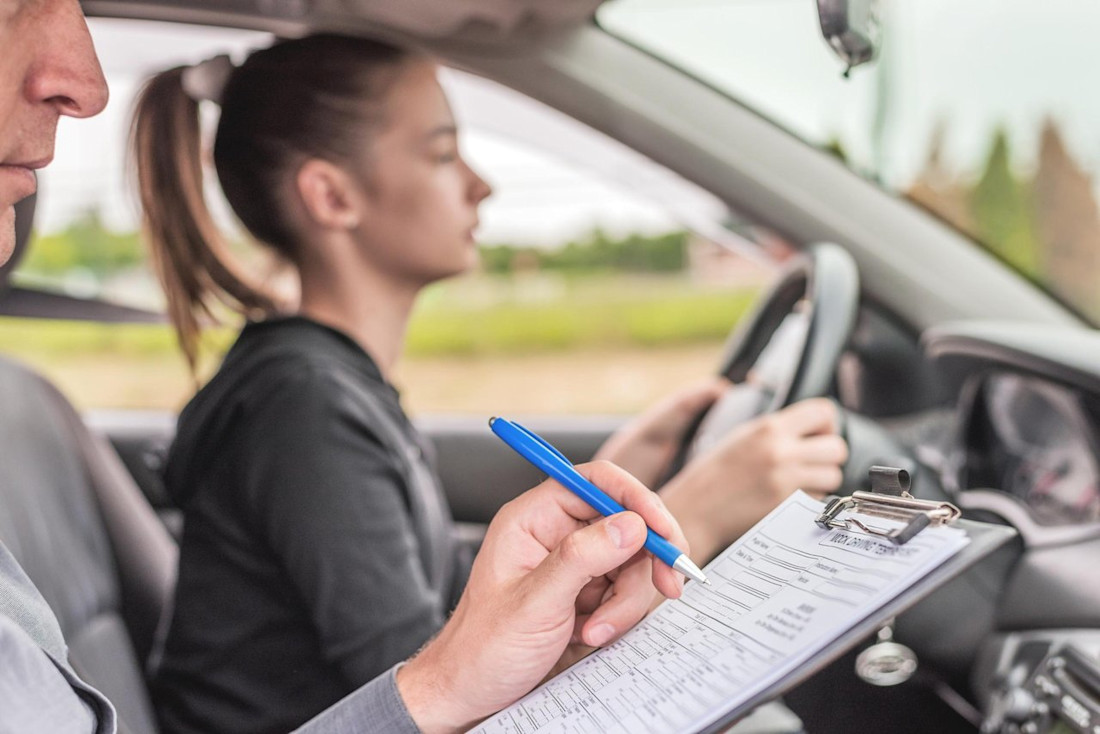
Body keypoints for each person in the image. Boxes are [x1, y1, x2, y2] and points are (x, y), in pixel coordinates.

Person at [131, 34, 848, 734]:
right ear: (331, 195)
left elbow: (436, 591)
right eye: (442, 153)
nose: (482, 184)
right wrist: (701, 509)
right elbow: (427, 686)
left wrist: (622, 473)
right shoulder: (301, 407)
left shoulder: (331, 382)